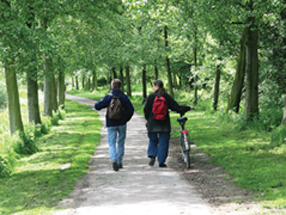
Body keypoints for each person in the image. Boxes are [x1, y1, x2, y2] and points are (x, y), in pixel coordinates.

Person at [144, 80, 194, 168]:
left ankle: (152, 156)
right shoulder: (166, 96)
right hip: (164, 123)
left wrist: (148, 119)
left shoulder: (151, 96)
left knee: (153, 140)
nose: (152, 88)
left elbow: (146, 110)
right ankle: (161, 162)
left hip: (153, 123)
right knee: (164, 142)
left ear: (156, 86)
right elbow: (177, 108)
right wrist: (188, 108)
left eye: (153, 86)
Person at [95, 79, 134, 171]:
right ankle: (120, 162)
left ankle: (114, 159)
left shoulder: (108, 97)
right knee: (120, 142)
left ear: (112, 86)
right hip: (122, 123)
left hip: (111, 123)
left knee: (112, 142)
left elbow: (97, 106)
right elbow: (131, 110)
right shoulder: (124, 97)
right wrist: (125, 119)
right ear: (120, 86)